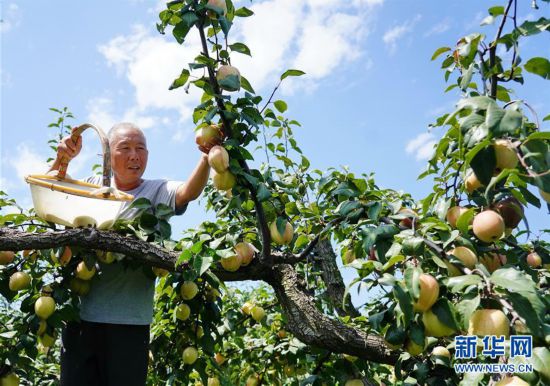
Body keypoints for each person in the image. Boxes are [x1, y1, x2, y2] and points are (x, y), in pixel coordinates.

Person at [49, 122, 214, 386]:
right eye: (124, 148)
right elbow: (51, 193)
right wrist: (62, 159)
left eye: (140, 148)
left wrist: (207, 156)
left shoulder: (156, 191)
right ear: (106, 156)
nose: (134, 155)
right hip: (81, 320)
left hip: (130, 324)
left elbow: (187, 192)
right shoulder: (93, 187)